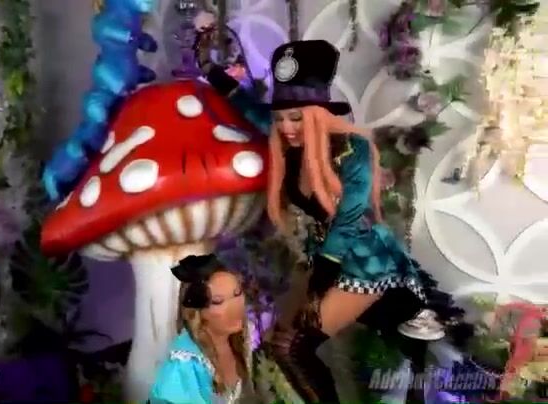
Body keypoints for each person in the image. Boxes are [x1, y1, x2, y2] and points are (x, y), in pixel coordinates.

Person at [196, 38, 471, 401]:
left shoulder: (353, 151)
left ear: (317, 115)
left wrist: (319, 281)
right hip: (324, 260)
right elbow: (247, 107)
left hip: (365, 265)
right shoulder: (288, 143)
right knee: (278, 345)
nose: (286, 127)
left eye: (296, 118)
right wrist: (210, 69)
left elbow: (348, 218)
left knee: (294, 347)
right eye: (280, 118)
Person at [149, 254, 257, 404]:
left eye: (237, 293)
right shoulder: (184, 366)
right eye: (218, 301)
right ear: (197, 312)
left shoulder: (242, 337)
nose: (235, 307)